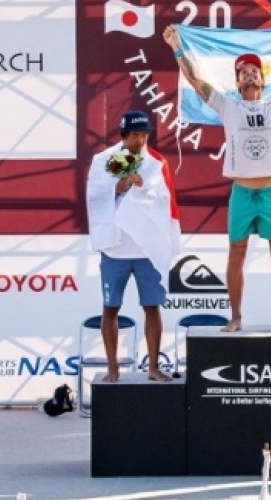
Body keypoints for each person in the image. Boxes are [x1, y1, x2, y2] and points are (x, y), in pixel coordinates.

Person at [163, 24, 271, 332]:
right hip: (242, 193)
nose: (249, 74)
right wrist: (177, 47)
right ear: (237, 81)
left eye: (254, 70)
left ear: (262, 78)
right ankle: (236, 317)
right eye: (243, 71)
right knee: (236, 255)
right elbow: (196, 80)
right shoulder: (227, 105)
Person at [86, 110, 181, 383]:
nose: (141, 140)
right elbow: (96, 194)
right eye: (135, 135)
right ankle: (113, 369)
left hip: (145, 249)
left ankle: (153, 366)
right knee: (110, 308)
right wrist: (122, 185)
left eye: (144, 134)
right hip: (115, 248)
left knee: (152, 307)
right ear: (125, 136)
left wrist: (144, 191)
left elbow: (164, 201)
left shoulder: (156, 163)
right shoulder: (105, 160)